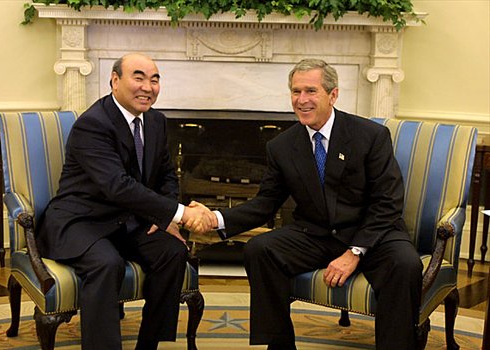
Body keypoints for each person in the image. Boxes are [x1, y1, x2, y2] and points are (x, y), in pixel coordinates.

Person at [187, 58, 423, 349]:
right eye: (296, 92)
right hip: (317, 234)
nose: (302, 100)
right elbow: (265, 204)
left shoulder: (370, 136)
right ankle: (279, 345)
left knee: (405, 264)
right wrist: (215, 218)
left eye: (311, 91)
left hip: (374, 234)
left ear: (332, 95)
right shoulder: (282, 146)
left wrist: (355, 252)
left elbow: (387, 201)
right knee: (261, 249)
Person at [37, 53, 213, 350]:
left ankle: (149, 344)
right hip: (82, 219)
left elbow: (167, 175)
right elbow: (117, 186)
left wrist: (165, 218)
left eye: (155, 79)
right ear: (115, 80)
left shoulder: (156, 121)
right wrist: (180, 214)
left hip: (129, 219)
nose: (148, 86)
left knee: (172, 252)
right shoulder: (92, 124)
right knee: (107, 264)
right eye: (139, 77)